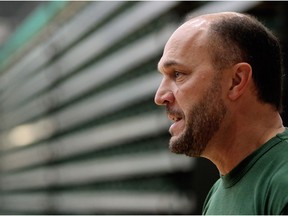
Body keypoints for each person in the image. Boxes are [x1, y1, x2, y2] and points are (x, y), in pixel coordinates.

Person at [154, 11, 288, 215]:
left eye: (178, 74)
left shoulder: (283, 181)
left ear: (236, 81)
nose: (160, 96)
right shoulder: (217, 193)